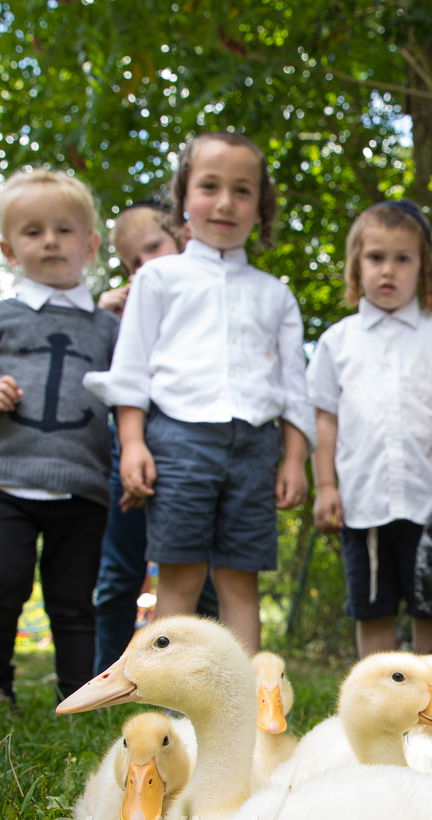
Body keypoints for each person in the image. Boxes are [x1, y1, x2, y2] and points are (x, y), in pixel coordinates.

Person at [85, 131, 314, 654]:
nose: (225, 203)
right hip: (179, 441)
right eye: (210, 186)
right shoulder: (160, 278)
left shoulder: (274, 294)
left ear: (261, 206)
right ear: (184, 196)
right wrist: (134, 443)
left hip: (255, 446)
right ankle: (167, 708)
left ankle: (250, 716)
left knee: (240, 580)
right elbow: (132, 369)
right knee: (180, 577)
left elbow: (293, 387)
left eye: (242, 191)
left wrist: (294, 459)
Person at [0, 167, 118, 711]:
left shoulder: (109, 329)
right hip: (5, 479)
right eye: (33, 231)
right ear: (9, 248)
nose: (50, 241)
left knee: (73, 600)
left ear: (89, 244)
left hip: (83, 485)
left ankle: (77, 695)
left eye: (64, 230)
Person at [308, 199, 432, 657]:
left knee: (428, 605)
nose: (388, 270)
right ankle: (375, 701)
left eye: (402, 259)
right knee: (373, 608)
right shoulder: (338, 342)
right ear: (356, 267)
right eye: (375, 258)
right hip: (363, 501)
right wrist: (325, 486)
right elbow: (325, 418)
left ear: (423, 269)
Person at [90, 200, 219, 673]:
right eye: (132, 264)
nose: (143, 269)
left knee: (197, 575)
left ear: (184, 238)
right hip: (129, 453)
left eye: (153, 250)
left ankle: (200, 675)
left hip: (193, 453)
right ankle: (109, 672)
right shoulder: (119, 313)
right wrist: (100, 314)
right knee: (119, 572)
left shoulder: (206, 302)